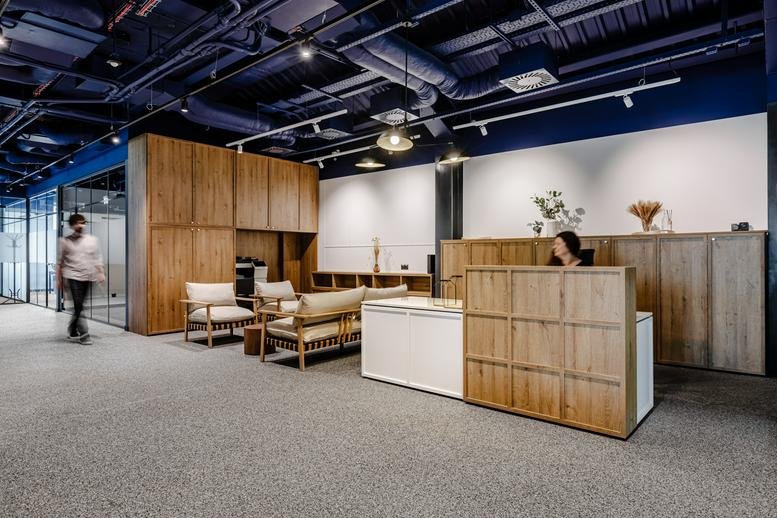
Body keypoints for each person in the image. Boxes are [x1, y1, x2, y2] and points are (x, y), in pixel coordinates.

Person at [56, 213, 104, 345]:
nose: (80, 225)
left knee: (80, 306)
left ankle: (72, 329)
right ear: (71, 225)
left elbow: (97, 257)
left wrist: (101, 272)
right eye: (77, 223)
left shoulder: (92, 240)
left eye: (82, 222)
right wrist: (58, 280)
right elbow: (59, 262)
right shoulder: (65, 241)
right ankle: (84, 334)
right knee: (79, 305)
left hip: (89, 276)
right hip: (73, 276)